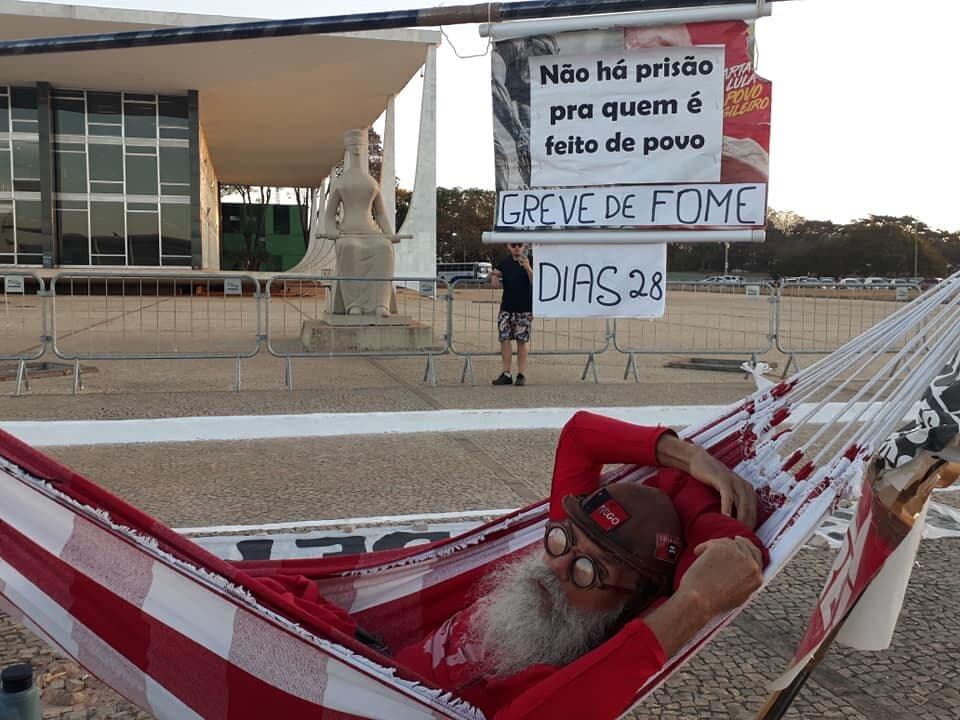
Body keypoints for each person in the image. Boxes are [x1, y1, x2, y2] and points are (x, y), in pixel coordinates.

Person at [395, 411, 767, 718]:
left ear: (632, 602)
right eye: (561, 539)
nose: (556, 568)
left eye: (590, 571)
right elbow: (579, 436)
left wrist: (693, 603)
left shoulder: (573, 679)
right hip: (359, 667)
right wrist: (692, 457)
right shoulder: (568, 554)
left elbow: (729, 569)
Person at [491, 242, 533, 386]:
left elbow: (537, 282)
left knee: (522, 341)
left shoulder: (531, 260)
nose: (517, 248)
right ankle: (506, 373)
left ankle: (521, 374)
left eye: (519, 245)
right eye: (513, 245)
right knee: (504, 339)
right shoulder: (505, 262)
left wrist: (528, 268)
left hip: (524, 307)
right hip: (507, 307)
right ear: (508, 247)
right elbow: (495, 277)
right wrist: (494, 276)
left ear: (524, 247)